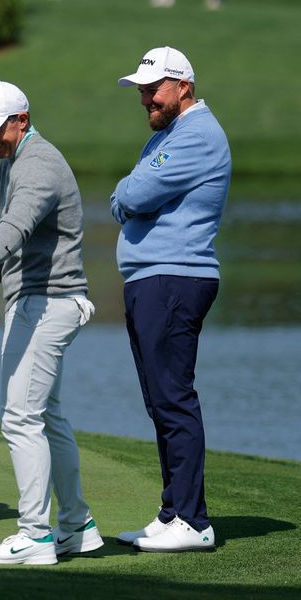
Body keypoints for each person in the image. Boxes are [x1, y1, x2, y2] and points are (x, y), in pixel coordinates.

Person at [0, 81, 103, 565]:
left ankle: (35, 536)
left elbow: (16, 227)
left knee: (20, 417)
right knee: (46, 416)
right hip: (40, 299)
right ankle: (77, 526)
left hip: (48, 303)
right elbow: (17, 246)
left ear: (22, 120)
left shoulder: (38, 165)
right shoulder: (12, 162)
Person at [111, 46, 231, 552]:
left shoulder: (197, 134)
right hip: (154, 279)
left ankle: (192, 520)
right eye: (141, 89)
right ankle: (172, 511)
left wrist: (126, 190)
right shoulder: (171, 133)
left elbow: (130, 197)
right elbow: (131, 195)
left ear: (183, 85)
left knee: (173, 399)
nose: (145, 98)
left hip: (174, 279)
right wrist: (129, 190)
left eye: (153, 88)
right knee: (159, 400)